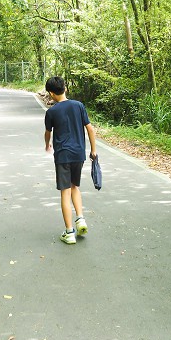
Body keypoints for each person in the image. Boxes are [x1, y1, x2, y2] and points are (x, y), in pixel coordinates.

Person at [44, 76, 98, 245]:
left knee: (65, 192)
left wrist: (47, 144)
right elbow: (90, 129)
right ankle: (80, 218)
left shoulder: (51, 112)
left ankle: (69, 233)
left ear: (51, 93)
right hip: (78, 154)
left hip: (63, 156)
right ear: (65, 88)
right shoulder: (78, 105)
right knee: (75, 186)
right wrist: (93, 150)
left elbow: (48, 133)